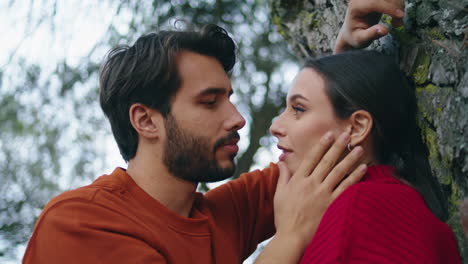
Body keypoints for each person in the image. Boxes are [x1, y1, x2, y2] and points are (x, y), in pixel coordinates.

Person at [23, 1, 406, 263]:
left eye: (229, 98)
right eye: (209, 102)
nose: (237, 118)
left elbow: (320, 152)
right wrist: (289, 238)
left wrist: (343, 67)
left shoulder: (220, 216)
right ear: (145, 121)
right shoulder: (80, 223)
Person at [270, 50, 462, 263]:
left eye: (298, 109)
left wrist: (287, 235)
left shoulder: (357, 210)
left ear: (357, 127)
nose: (275, 126)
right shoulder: (389, 203)